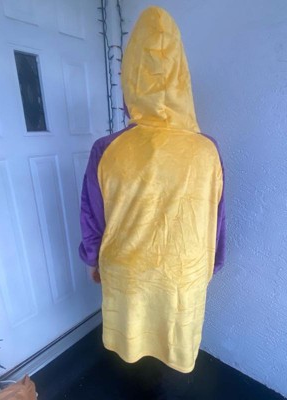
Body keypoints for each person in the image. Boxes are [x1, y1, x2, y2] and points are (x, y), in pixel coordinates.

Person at [79, 6, 226, 374]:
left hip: (128, 272)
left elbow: (92, 216)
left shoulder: (107, 149)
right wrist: (214, 262)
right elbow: (216, 216)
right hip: (183, 274)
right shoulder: (206, 150)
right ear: (181, 76)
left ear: (130, 78)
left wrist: (93, 260)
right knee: (172, 348)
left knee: (131, 350)